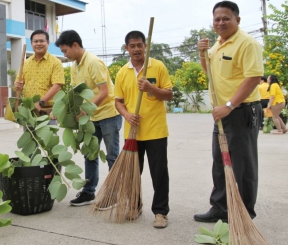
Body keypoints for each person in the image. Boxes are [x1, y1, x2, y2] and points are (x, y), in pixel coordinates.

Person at [194, 0, 263, 223]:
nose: (221, 22)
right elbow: (210, 73)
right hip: (222, 114)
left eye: (226, 18)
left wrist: (229, 106)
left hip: (241, 111)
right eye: (217, 19)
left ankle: (244, 214)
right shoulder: (217, 45)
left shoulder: (247, 43)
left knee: (243, 166)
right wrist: (203, 54)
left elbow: (253, 78)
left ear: (237, 20)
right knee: (220, 162)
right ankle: (220, 208)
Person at [55, 30, 121, 206]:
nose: (65, 54)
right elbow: (78, 94)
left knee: (112, 156)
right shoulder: (75, 66)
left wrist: (86, 111)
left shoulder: (94, 62)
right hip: (90, 117)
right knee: (90, 154)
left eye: (65, 50)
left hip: (108, 115)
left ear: (75, 45)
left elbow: (105, 92)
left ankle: (114, 194)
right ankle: (89, 192)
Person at [114, 30, 173, 229]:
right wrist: (127, 115)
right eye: (132, 46)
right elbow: (118, 102)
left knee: (159, 173)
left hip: (156, 130)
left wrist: (151, 89)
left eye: (140, 45)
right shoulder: (122, 72)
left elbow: (169, 95)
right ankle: (135, 206)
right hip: (133, 132)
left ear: (145, 46)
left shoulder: (157, 67)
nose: (137, 49)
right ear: (126, 49)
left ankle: (160, 212)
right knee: (132, 172)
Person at [14, 30, 64, 122]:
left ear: (48, 43)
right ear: (31, 43)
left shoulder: (56, 63)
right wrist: (17, 86)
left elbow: (57, 86)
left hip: (48, 112)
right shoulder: (26, 63)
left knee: (48, 136)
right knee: (30, 136)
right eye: (35, 41)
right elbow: (18, 85)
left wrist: (41, 102)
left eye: (42, 41)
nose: (38, 44)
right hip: (29, 112)